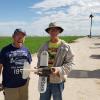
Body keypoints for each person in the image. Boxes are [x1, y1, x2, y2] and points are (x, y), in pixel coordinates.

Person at [36, 22, 74, 100]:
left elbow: (70, 63)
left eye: (55, 30)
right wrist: (38, 68)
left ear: (59, 31)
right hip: (44, 80)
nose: (53, 32)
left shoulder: (65, 46)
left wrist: (58, 70)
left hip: (57, 81)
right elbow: (39, 59)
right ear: (49, 32)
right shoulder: (44, 46)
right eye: (51, 30)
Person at [0, 29, 32, 100]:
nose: (20, 38)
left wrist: (28, 79)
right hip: (10, 87)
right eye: (18, 35)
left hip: (24, 86)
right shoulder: (5, 50)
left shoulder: (26, 50)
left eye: (23, 36)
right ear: (13, 37)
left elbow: (28, 66)